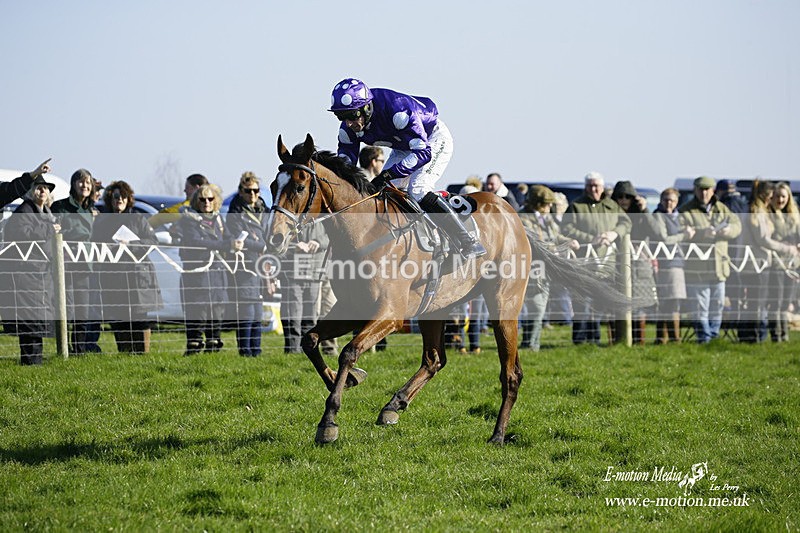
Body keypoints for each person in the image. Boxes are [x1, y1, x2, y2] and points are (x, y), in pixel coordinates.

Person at [328, 78, 485, 259]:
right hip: (403, 146)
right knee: (382, 193)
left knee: (418, 189)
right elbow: (345, 165)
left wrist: (389, 173)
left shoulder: (398, 111)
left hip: (431, 140)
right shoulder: (348, 128)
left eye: (352, 115)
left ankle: (468, 240)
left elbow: (423, 153)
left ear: (366, 108)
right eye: (341, 117)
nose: (348, 123)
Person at [91, 181, 163, 353]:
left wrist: (130, 244)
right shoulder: (103, 221)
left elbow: (153, 241)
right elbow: (96, 244)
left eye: (123, 196)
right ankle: (124, 353)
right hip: (113, 276)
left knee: (139, 317)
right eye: (115, 197)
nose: (119, 200)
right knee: (118, 318)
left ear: (129, 198)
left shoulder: (138, 218)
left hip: (138, 276)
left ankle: (141, 354)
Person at [561, 172, 631, 345]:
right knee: (582, 304)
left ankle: (595, 340)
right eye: (590, 185)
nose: (594, 189)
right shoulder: (577, 205)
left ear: (602, 187)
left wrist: (614, 233)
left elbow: (627, 222)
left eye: (597, 186)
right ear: (586, 187)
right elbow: (566, 227)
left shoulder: (611, 205)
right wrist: (588, 238)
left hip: (606, 263)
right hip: (584, 263)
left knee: (599, 305)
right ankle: (579, 341)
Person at [175, 184, 243, 355]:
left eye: (210, 199)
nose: (206, 202)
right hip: (197, 274)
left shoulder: (218, 219)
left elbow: (227, 237)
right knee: (198, 311)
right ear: (196, 201)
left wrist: (235, 243)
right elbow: (196, 242)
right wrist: (226, 245)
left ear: (216, 201)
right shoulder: (188, 219)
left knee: (218, 310)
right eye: (202, 199)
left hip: (218, 273)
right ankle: (194, 347)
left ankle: (213, 346)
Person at [1, 176, 60, 365]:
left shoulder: (45, 212)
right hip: (26, 274)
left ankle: (35, 361)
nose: (42, 191)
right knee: (29, 320)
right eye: (38, 187)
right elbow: (20, 233)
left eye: (45, 188)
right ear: (29, 191)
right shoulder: (25, 210)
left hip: (40, 273)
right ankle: (30, 362)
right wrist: (49, 230)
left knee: (37, 319)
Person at [678, 176, 742, 343]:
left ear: (713, 190)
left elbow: (737, 226)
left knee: (717, 306)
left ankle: (713, 339)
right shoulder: (686, 210)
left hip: (719, 267)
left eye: (707, 189)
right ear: (695, 190)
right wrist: (701, 233)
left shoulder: (722, 209)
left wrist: (728, 230)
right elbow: (681, 231)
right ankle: (704, 339)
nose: (704, 193)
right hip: (697, 269)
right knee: (700, 308)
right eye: (700, 189)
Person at [518, 185, 577, 350]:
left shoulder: (546, 217)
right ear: (538, 203)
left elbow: (554, 234)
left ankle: (532, 344)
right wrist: (555, 249)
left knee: (540, 307)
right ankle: (530, 344)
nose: (550, 207)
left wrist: (567, 241)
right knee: (536, 307)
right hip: (531, 268)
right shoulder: (523, 217)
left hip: (546, 269)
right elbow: (535, 241)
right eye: (547, 204)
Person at [738, 180, 799, 342]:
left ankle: (757, 336)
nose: (774, 199)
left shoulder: (757, 211)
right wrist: (787, 248)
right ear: (766, 196)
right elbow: (763, 239)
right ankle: (756, 337)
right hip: (759, 263)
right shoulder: (758, 213)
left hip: (762, 262)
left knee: (758, 302)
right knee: (758, 303)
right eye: (772, 196)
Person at [611, 180, 666, 344]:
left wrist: (645, 210)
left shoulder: (641, 215)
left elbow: (658, 233)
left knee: (640, 306)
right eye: (619, 196)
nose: (623, 200)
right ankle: (617, 342)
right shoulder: (611, 213)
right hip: (616, 263)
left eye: (627, 196)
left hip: (640, 266)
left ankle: (639, 342)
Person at [51, 169, 98, 354]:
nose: (84, 186)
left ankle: (79, 349)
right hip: (66, 263)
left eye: (88, 183)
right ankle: (63, 348)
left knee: (82, 311)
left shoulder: (91, 210)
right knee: (66, 308)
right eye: (80, 182)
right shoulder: (60, 207)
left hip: (85, 265)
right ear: (73, 184)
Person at [225, 172, 268, 357]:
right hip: (244, 266)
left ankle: (256, 353)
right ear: (241, 191)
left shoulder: (264, 210)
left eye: (256, 190)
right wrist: (262, 246)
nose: (252, 194)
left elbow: (268, 234)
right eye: (248, 191)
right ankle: (245, 352)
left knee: (258, 312)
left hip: (262, 265)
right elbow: (238, 237)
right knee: (247, 312)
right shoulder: (235, 213)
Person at [275, 222, 329, 354]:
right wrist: (294, 246)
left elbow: (330, 237)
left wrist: (318, 242)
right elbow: (276, 243)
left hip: (315, 273)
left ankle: (309, 350)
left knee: (310, 316)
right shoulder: (289, 219)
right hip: (292, 274)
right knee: (292, 314)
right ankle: (293, 350)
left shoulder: (323, 219)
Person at [653, 188, 688, 344]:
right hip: (666, 264)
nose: (669, 203)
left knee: (673, 301)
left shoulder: (679, 216)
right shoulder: (658, 216)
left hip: (679, 263)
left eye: (672, 200)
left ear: (677, 202)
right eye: (666, 199)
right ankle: (671, 338)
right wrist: (684, 236)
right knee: (669, 301)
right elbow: (664, 238)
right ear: (661, 200)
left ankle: (666, 338)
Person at [769, 182, 800, 341]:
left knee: (786, 301)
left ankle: (785, 333)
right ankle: (776, 334)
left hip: (792, 265)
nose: (780, 199)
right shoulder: (770, 216)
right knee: (777, 300)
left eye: (783, 196)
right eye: (778, 196)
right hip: (776, 264)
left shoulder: (794, 217)